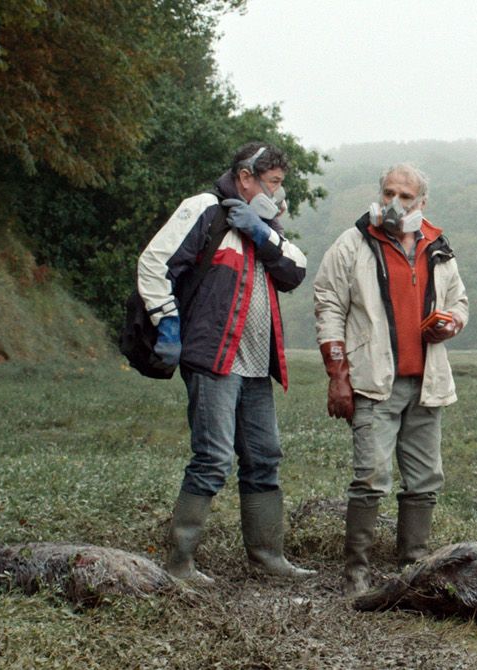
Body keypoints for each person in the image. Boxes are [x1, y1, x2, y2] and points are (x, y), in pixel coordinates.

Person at [137, 142, 313, 584]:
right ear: (246, 176)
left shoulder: (265, 224)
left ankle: (268, 557)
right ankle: (179, 563)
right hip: (213, 357)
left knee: (264, 456)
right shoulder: (204, 209)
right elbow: (154, 263)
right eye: (272, 182)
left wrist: (262, 232)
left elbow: (295, 269)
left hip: (255, 362)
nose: (278, 193)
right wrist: (168, 324)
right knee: (213, 457)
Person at [312, 163, 469, 596]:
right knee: (370, 477)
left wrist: (450, 323)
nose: (394, 203)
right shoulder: (353, 242)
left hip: (427, 383)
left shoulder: (438, 245)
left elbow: (460, 302)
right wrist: (337, 375)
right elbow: (328, 305)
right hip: (372, 382)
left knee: (425, 479)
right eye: (388, 193)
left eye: (405, 196)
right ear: (379, 194)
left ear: (422, 202)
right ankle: (356, 573)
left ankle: (414, 566)